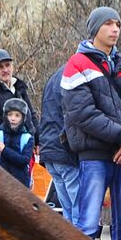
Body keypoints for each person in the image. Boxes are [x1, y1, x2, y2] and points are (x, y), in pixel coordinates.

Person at [61, 6, 121, 240]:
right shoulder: (77, 64)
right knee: (88, 222)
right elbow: (82, 113)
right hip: (95, 155)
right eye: (108, 24)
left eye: (117, 24)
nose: (114, 29)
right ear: (95, 28)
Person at [39, 61, 81, 226]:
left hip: (49, 149)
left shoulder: (54, 77)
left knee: (68, 211)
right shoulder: (74, 76)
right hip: (65, 151)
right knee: (79, 212)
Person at [0, 49, 38, 140]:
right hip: (2, 149)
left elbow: (32, 116)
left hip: (26, 146)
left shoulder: (19, 87)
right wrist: (8, 133)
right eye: (0, 67)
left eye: (8, 65)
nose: (5, 70)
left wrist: (38, 140)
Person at [0, 98, 35, 187]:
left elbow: (24, 161)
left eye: (17, 115)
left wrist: (4, 150)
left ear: (23, 118)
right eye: (10, 115)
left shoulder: (27, 138)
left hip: (21, 183)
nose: (13, 118)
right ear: (5, 116)